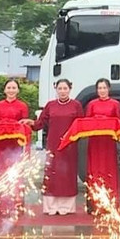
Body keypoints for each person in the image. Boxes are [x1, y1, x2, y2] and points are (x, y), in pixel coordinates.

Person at [24, 79, 84, 215]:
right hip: (53, 145)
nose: (62, 91)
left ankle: (66, 207)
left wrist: (74, 138)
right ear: (56, 89)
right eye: (60, 88)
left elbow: (81, 125)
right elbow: (41, 123)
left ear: (70, 89)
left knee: (67, 175)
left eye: (65, 88)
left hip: (70, 146)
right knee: (52, 174)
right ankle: (50, 207)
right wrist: (31, 122)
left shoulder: (76, 105)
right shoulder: (50, 105)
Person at [0, 79, 30, 215]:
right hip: (0, 144)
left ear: (18, 90)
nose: (11, 90)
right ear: (5, 90)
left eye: (14, 88)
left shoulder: (23, 106)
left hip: (15, 144)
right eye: (9, 88)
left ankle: (16, 203)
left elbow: (24, 125)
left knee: (15, 172)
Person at [84, 78, 120, 208]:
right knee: (94, 169)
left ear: (109, 89)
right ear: (96, 90)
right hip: (95, 141)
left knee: (108, 169)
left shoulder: (115, 104)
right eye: (99, 88)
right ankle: (94, 203)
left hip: (108, 141)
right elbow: (86, 121)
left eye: (104, 88)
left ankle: (111, 201)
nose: (102, 90)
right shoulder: (92, 104)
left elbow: (118, 122)